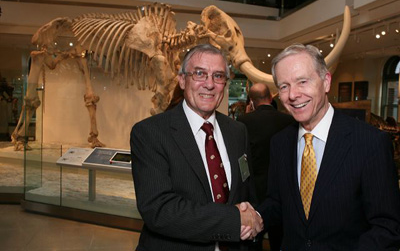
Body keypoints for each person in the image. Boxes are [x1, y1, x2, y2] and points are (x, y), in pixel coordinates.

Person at [247, 43, 400, 250]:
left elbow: (387, 226)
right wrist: (255, 217)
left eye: (302, 81)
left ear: (326, 82)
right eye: (284, 86)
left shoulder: (370, 143)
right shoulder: (280, 143)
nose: (293, 95)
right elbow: (277, 202)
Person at [130, 44, 263, 251]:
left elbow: (247, 193)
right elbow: (159, 209)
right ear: (182, 80)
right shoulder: (150, 133)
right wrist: (234, 220)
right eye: (200, 74)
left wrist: (256, 219)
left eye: (218, 76)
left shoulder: (238, 131)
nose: (209, 84)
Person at [237, 83, 295, 251]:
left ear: (252, 101)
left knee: (253, 239)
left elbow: (241, 159)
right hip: (282, 190)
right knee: (279, 239)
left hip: (254, 190)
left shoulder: (243, 121)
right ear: (270, 98)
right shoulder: (289, 120)